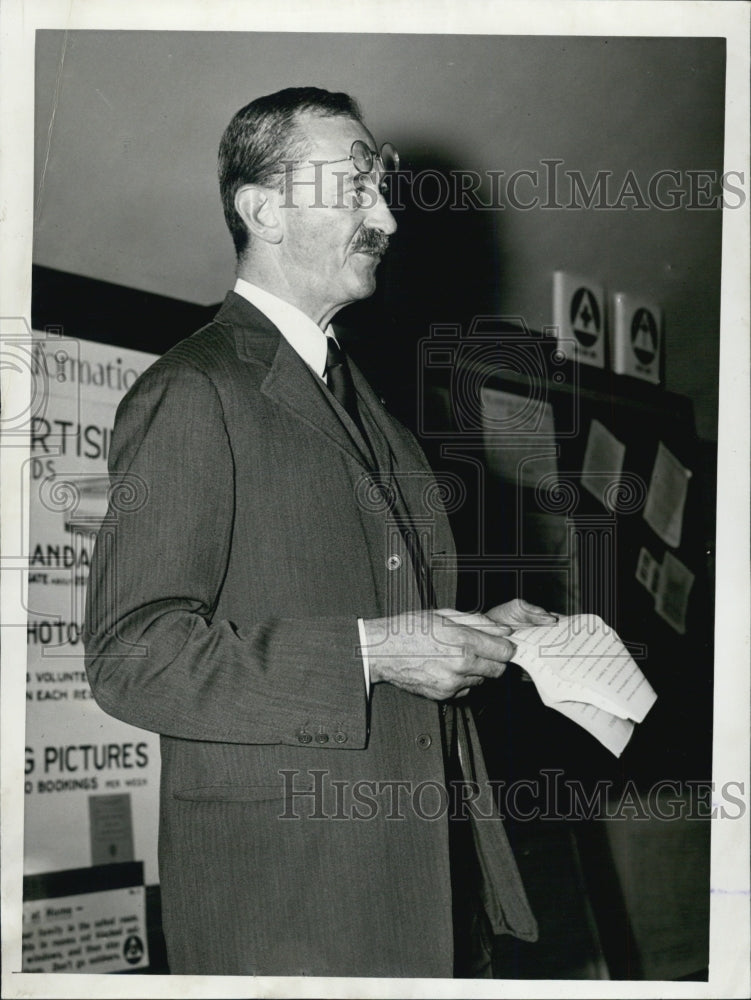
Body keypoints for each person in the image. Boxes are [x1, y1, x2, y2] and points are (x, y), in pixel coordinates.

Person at [84, 86, 555, 978]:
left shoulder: (361, 397)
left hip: (421, 885)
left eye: (383, 192)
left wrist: (487, 638)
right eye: (356, 190)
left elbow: (372, 611)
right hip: (293, 905)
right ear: (261, 209)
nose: (385, 217)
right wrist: (372, 652)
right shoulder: (195, 391)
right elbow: (130, 657)